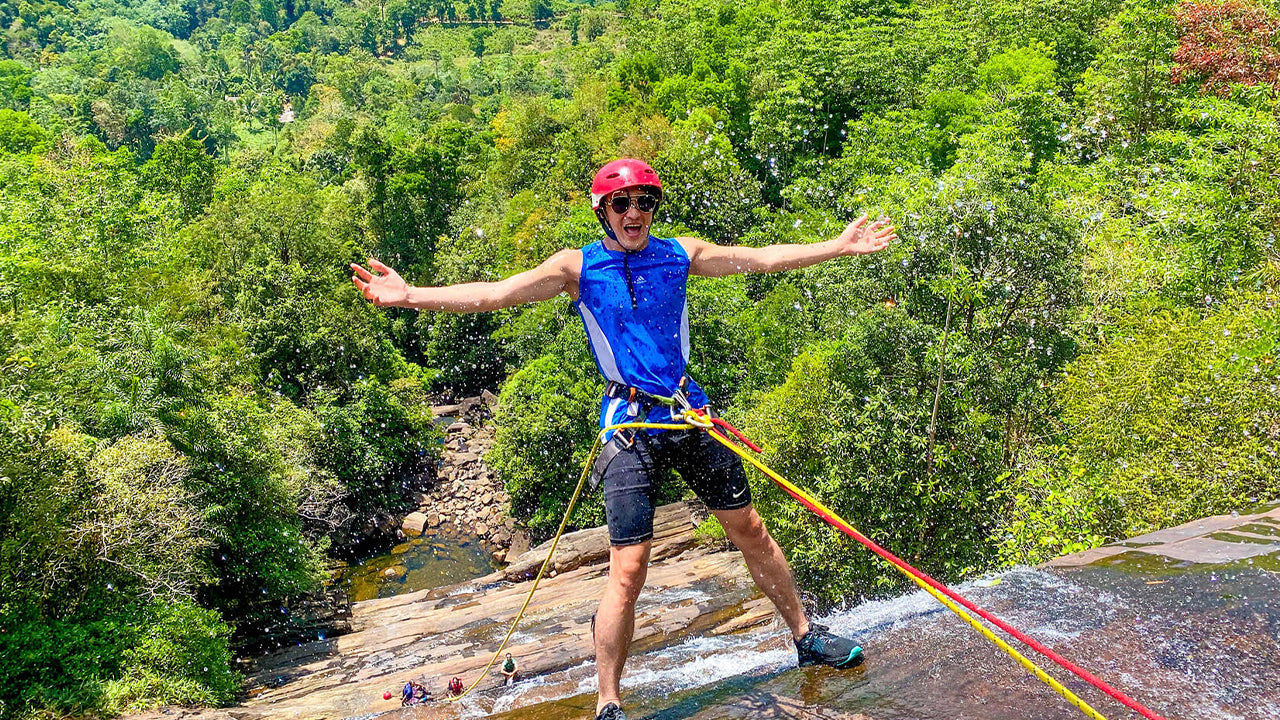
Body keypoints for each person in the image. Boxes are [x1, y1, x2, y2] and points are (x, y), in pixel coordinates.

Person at [352, 158, 896, 720]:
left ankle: (806, 636)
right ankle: (608, 703)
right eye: (622, 203)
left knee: (749, 529)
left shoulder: (681, 254)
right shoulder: (578, 267)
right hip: (629, 423)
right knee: (629, 565)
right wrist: (412, 295)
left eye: (644, 202)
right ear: (601, 210)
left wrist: (836, 245)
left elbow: (760, 259)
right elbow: (495, 294)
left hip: (688, 412)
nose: (634, 213)